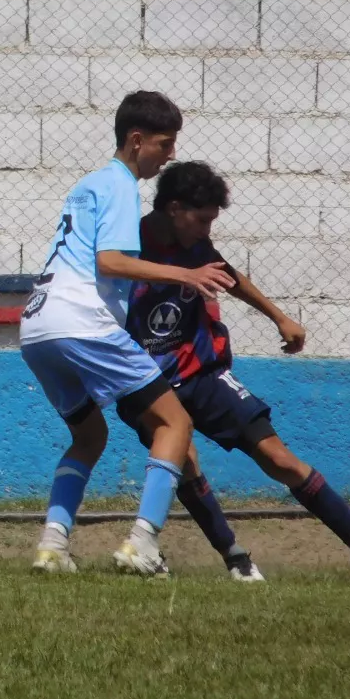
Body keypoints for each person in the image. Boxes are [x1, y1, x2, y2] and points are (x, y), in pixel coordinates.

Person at [20, 91, 235, 578]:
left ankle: (52, 546)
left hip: (37, 325)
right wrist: (186, 275)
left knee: (89, 433)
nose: (171, 154)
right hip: (81, 321)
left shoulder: (88, 183)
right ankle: (142, 544)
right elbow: (110, 261)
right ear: (136, 141)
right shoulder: (119, 185)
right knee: (175, 423)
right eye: (164, 143)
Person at [120, 160, 350, 581]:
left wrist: (279, 317)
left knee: (279, 458)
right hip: (146, 382)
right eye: (202, 220)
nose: (207, 231)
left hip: (202, 374)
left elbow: (231, 277)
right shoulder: (125, 246)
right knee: (185, 462)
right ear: (174, 208)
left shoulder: (197, 247)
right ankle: (236, 559)